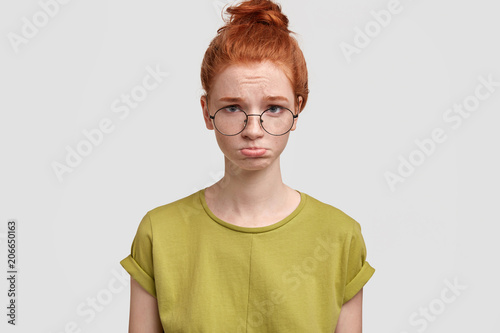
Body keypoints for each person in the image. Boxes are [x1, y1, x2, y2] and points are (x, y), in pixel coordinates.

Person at [120, 0, 375, 331]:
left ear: (298, 108)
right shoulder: (159, 233)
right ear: (205, 110)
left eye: (273, 108)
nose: (253, 130)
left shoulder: (340, 237)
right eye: (232, 108)